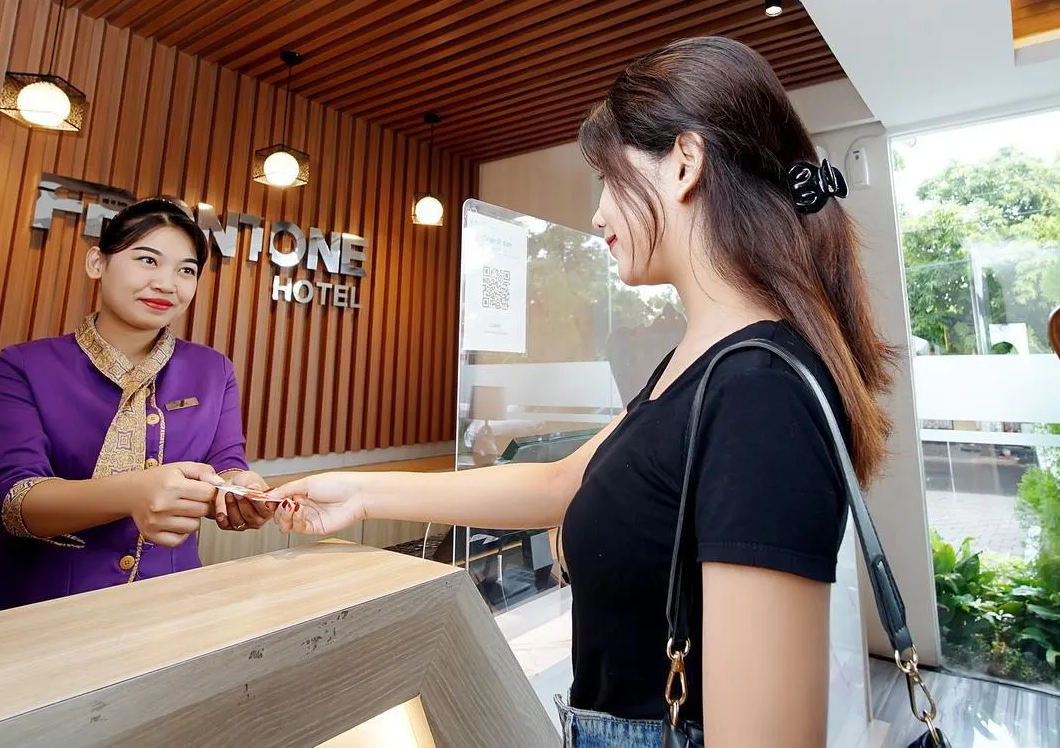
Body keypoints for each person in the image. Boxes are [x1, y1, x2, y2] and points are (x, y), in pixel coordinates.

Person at [270, 37, 896, 747]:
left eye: (608, 178)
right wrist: (359, 495)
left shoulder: (760, 394)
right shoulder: (698, 363)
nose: (598, 215)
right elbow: (563, 481)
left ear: (684, 164)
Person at [0, 197, 273, 615]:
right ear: (97, 262)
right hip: (39, 607)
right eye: (148, 260)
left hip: (168, 604)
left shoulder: (212, 369)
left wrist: (241, 488)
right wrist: (133, 492)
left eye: (186, 270)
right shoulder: (21, 367)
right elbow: (7, 501)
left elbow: (225, 460)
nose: (167, 283)